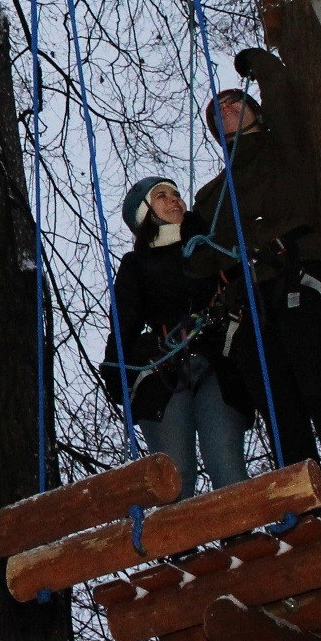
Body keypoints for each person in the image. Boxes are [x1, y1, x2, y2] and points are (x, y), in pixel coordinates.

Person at [187, 47, 321, 499]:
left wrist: (262, 65)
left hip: (295, 277)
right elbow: (201, 265)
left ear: (256, 111)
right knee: (279, 406)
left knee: (320, 383)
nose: (228, 110)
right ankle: (302, 493)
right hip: (247, 302)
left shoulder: (283, 147)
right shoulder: (211, 197)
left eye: (236, 103)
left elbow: (285, 97)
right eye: (219, 112)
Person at [113, 176, 249, 494]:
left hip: (216, 360)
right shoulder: (136, 265)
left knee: (226, 464)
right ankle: (179, 544)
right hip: (164, 370)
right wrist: (117, 371)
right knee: (175, 480)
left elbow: (239, 281)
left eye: (176, 194)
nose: (175, 199)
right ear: (144, 211)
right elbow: (124, 324)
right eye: (162, 195)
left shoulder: (207, 248)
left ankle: (244, 538)